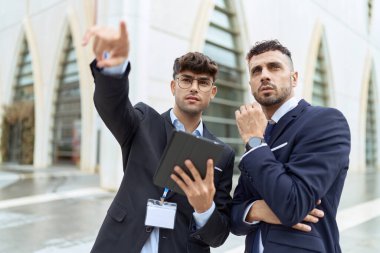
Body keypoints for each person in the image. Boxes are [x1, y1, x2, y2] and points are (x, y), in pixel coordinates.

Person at [82, 21, 235, 253]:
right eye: (186, 80)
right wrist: (113, 72)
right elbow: (112, 105)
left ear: (212, 92)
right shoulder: (144, 122)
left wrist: (205, 209)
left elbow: (219, 236)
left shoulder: (222, 154)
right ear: (173, 86)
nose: (194, 87)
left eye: (203, 82)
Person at [231, 40, 351, 253]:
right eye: (256, 71)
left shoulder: (325, 121)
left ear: (294, 78)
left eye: (274, 67)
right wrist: (257, 210)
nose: (264, 75)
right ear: (250, 84)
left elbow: (293, 205)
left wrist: (254, 142)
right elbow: (234, 215)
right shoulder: (259, 133)